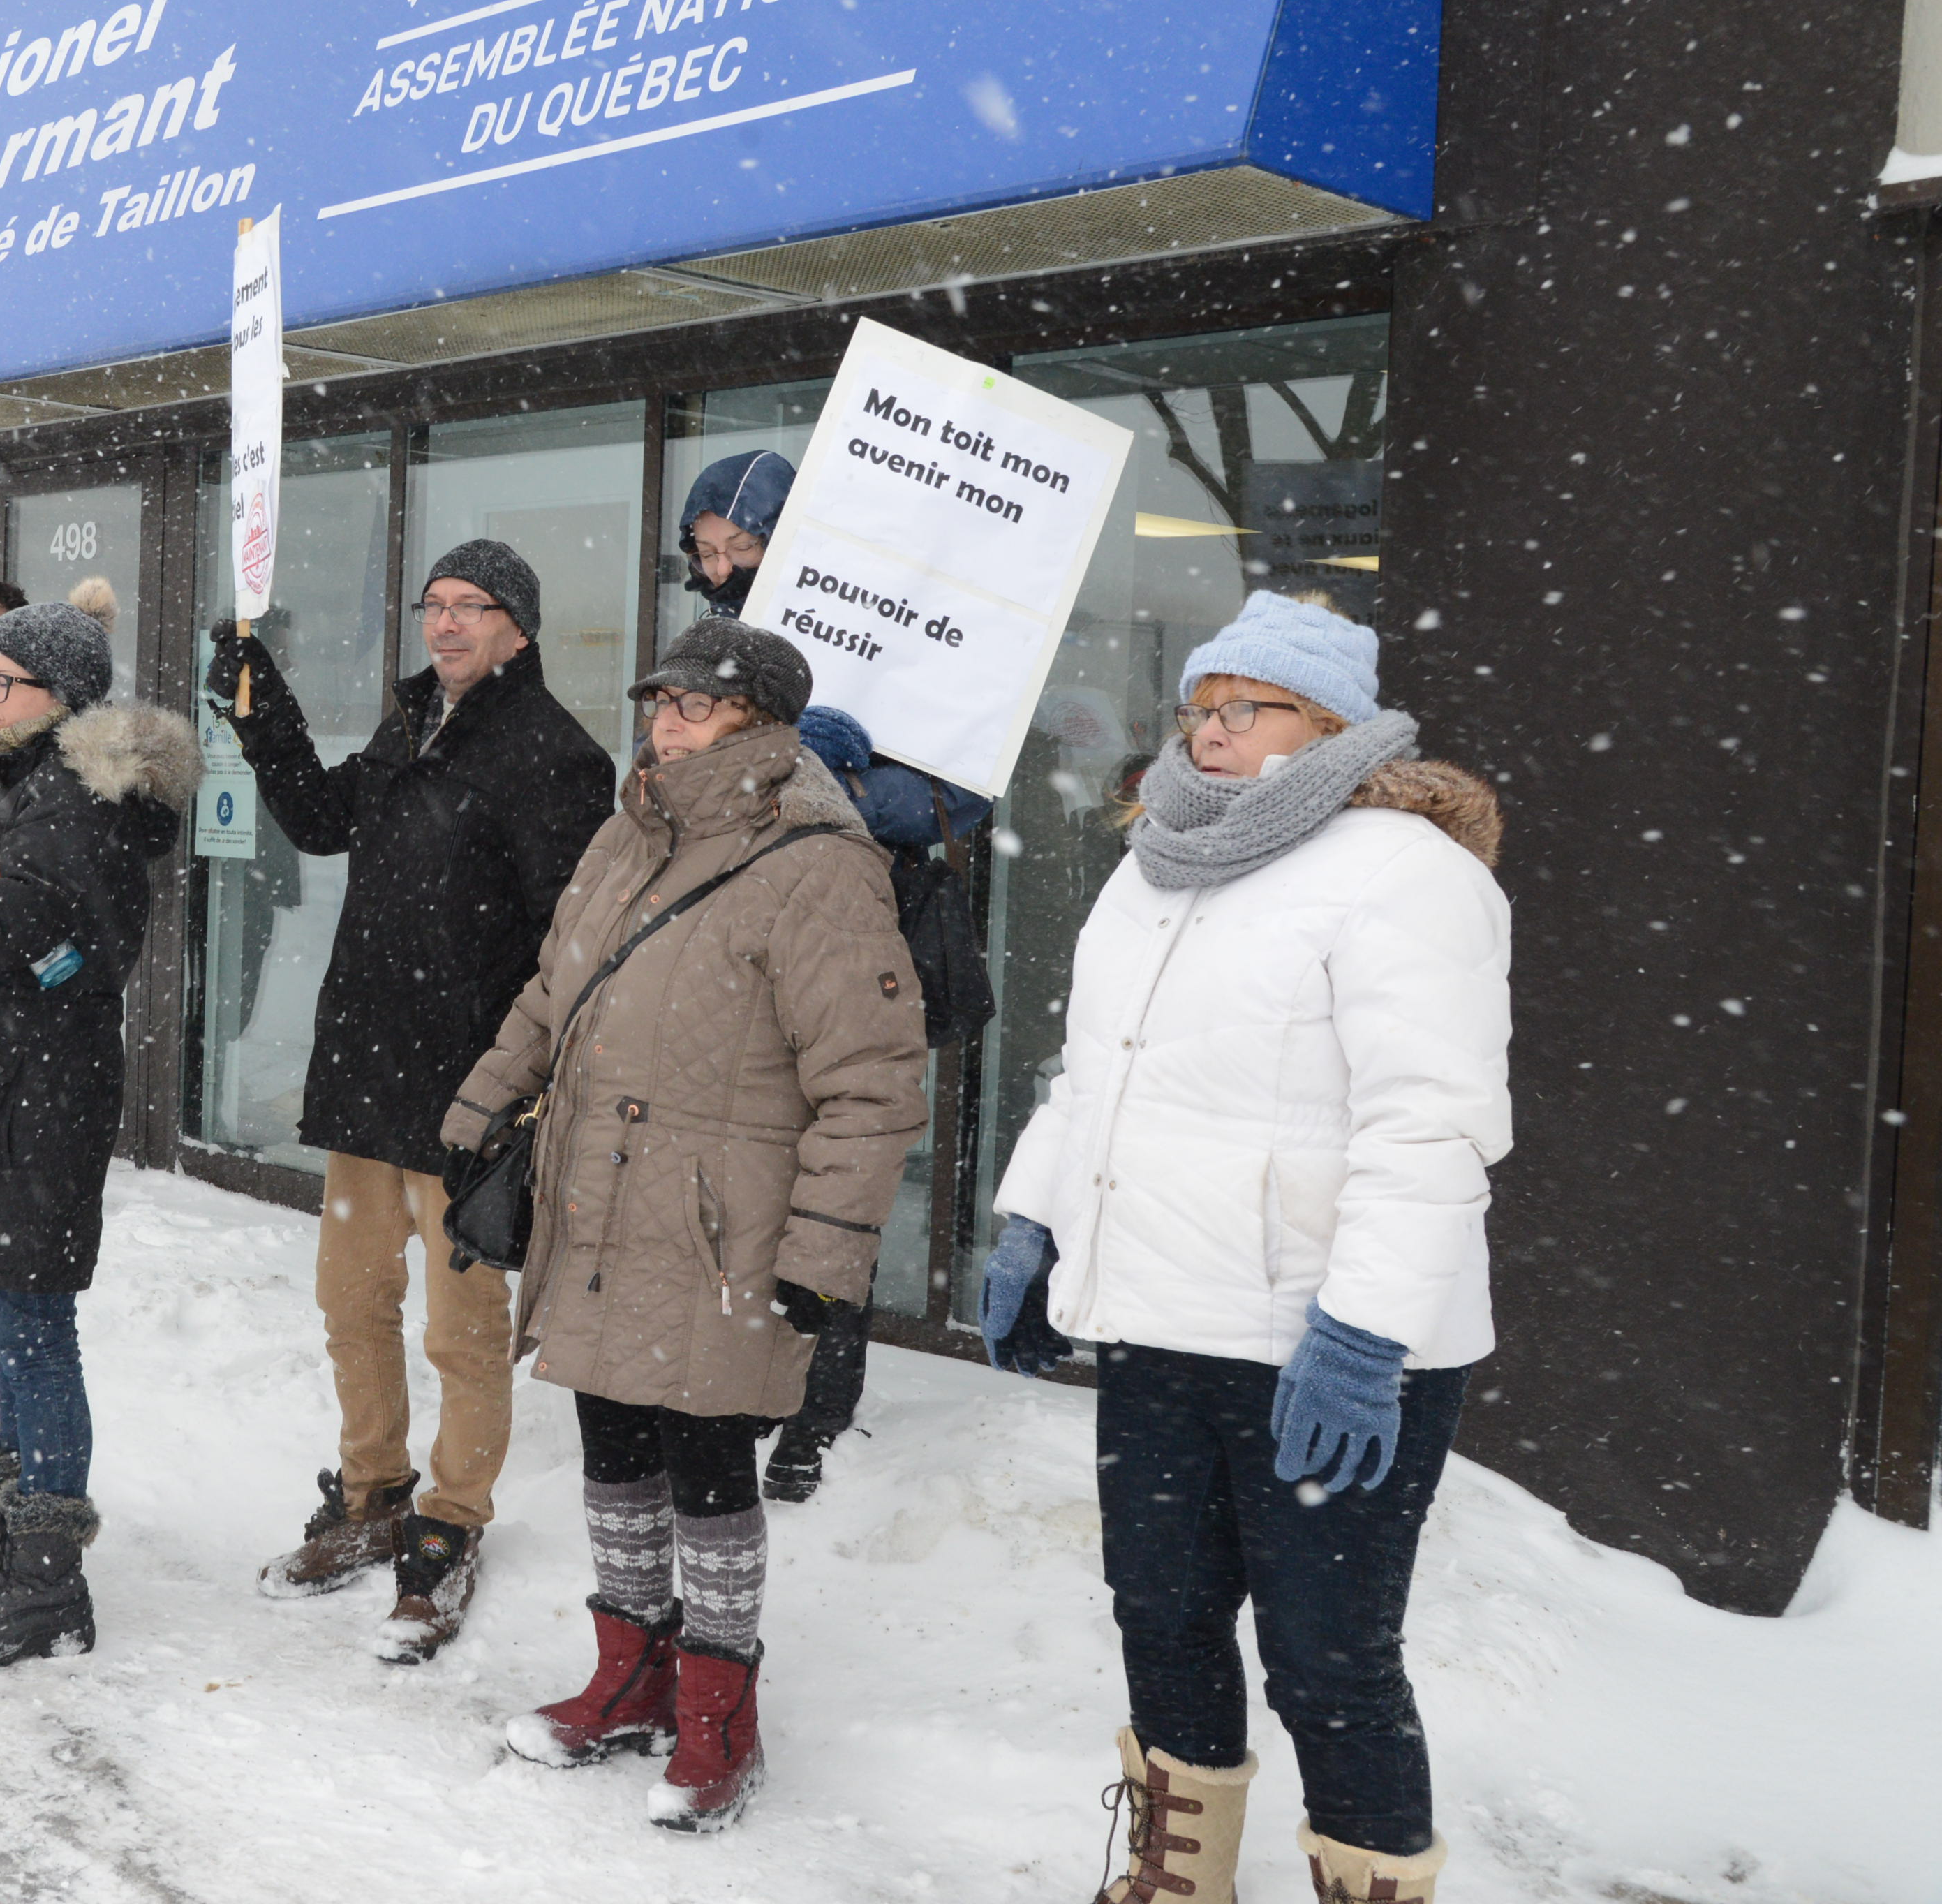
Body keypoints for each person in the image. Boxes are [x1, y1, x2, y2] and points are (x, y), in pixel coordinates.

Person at [978, 591, 1509, 1904]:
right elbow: (1094, 1074)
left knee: (1329, 1656)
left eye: (1242, 707)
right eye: (1196, 706)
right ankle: (1177, 1879)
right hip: (1162, 1321)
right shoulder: (1157, 860)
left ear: (1326, 724)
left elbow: (1432, 1124)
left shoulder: (1406, 870)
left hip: (1319, 1341)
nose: (1207, 729)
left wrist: (1363, 1332)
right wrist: (1033, 1217)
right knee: (1158, 1614)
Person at [445, 617, 926, 1834]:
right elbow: (558, 985)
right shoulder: (632, 828)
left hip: (725, 1225)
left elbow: (870, 1080)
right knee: (611, 1442)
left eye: (697, 707)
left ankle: (720, 1711)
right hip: (600, 1193)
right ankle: (630, 1676)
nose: (667, 723)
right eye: (660, 700)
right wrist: (483, 1099)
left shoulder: (819, 859)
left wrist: (824, 1252)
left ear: (761, 722)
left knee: (708, 1465)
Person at [204, 539, 612, 1662]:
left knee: (461, 1330)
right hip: (367, 1069)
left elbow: (566, 948)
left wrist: (519, 1087)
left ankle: (449, 1520)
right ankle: (372, 1492)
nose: (446, 625)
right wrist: (264, 715)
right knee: (352, 1299)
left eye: (470, 608)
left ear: (518, 628)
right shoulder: (411, 722)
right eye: (434, 605)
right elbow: (325, 819)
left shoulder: (555, 755)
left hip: (467, 1093)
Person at [0, 584, 196, 1669]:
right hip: (4, 1089)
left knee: (34, 1332)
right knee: (13, 1322)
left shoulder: (75, 806)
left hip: (33, 1102)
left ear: (60, 698)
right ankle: (14, 1533)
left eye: (2, 682)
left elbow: (15, 932)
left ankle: (49, 1582)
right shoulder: (28, 787)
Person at [761, 703, 995, 1503]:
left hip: (837, 1042)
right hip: (779, 1043)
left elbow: (963, 794)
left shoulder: (862, 822)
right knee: (800, 1219)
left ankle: (812, 1410)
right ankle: (788, 1401)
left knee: (832, 1219)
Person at [674, 450, 794, 617]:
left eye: (742, 547)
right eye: (706, 554)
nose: (723, 569)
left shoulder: (832, 629)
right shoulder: (709, 637)